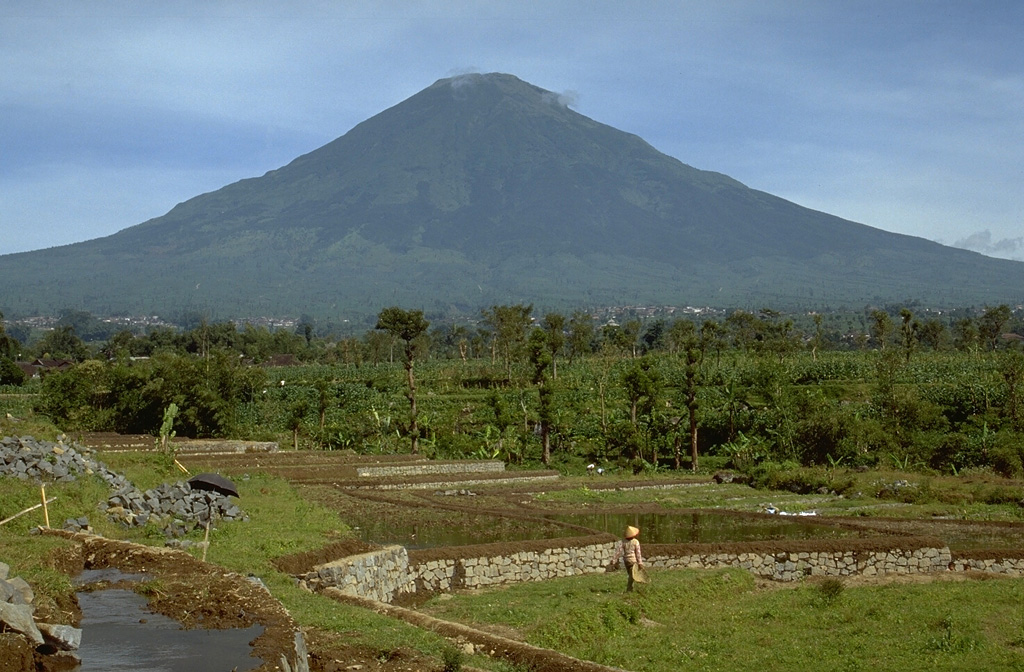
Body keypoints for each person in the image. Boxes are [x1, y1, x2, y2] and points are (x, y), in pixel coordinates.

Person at [611, 525, 644, 591]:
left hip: (626, 561)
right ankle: (629, 588)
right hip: (633, 561)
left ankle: (631, 588)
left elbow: (618, 551)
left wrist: (614, 560)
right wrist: (640, 563)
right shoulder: (636, 542)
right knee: (632, 575)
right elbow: (638, 554)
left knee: (630, 574)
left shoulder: (623, 541)